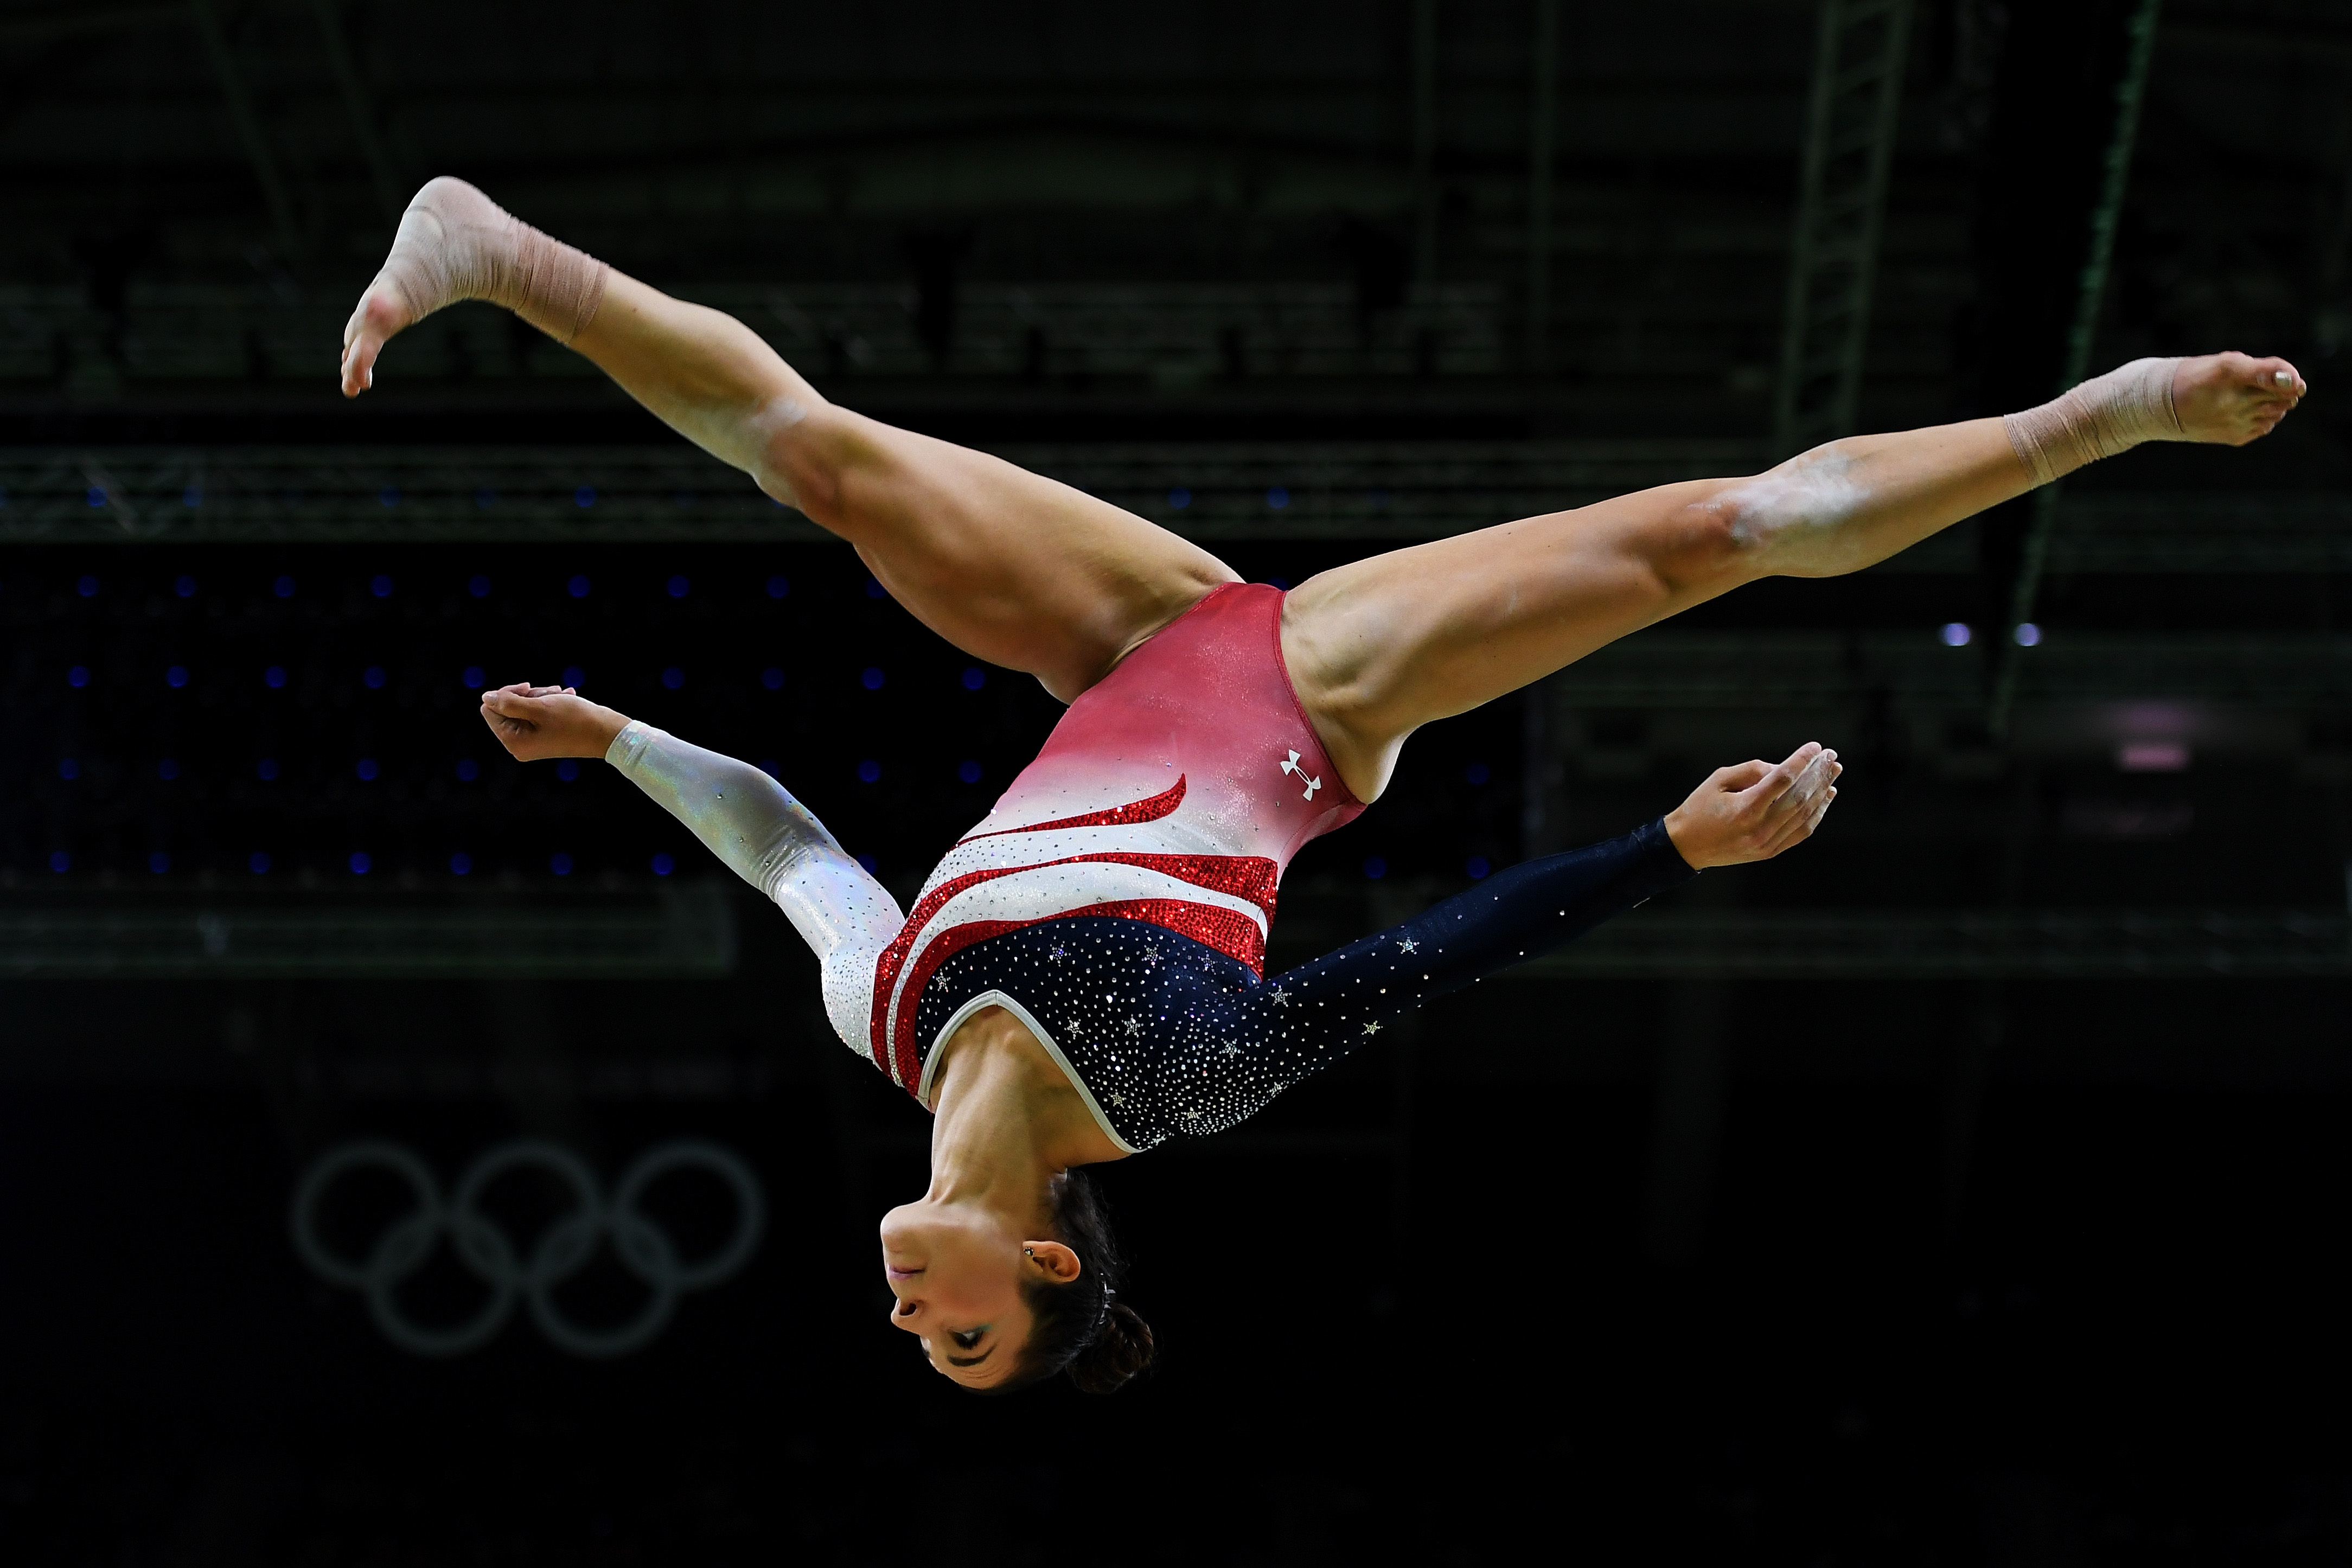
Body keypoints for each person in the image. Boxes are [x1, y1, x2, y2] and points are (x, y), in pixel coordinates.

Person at [340, 178, 2306, 1394]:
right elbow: (1440, 955)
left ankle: (493, 253)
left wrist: (611, 741)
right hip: (1305, 698)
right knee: (1724, 529)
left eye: (920, 1347)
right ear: (1043, 1262)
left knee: (828, 461)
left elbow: (781, 837)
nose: (904, 1317)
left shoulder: (891, 1013)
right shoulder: (1176, 1083)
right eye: (959, 1333)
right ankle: (2101, 414)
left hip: (1123, 639)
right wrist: (1663, 849)